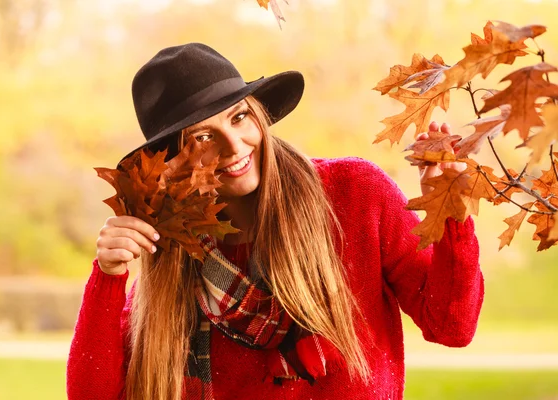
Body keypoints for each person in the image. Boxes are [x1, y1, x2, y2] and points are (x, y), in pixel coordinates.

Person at [66, 43, 483, 400]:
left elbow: (451, 324)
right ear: (174, 164)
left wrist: (451, 210)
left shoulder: (355, 195)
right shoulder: (175, 257)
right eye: (203, 138)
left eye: (238, 117)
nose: (234, 146)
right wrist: (108, 275)